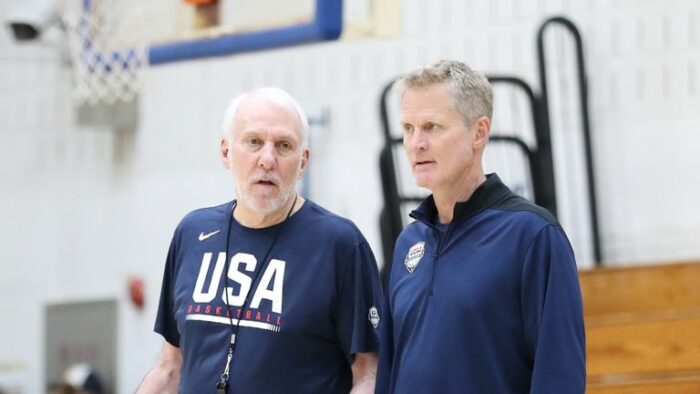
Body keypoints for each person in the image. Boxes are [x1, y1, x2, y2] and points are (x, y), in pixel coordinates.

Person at [137, 87, 382, 393]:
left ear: (303, 160)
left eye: (283, 145)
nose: (267, 159)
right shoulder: (192, 233)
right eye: (254, 142)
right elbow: (170, 368)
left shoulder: (339, 244)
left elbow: (368, 374)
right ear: (226, 152)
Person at [375, 60, 586, 393]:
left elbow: (559, 375)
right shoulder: (408, 242)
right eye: (408, 128)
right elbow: (388, 370)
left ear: (479, 132)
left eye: (432, 126)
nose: (416, 143)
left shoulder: (532, 236)